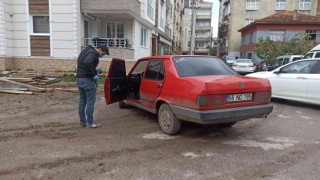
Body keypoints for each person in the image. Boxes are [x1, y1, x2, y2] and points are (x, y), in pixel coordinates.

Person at [75, 45, 109, 128]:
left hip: (79, 79)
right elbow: (87, 62)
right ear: (100, 49)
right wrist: (93, 74)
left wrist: (95, 69)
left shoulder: (86, 50)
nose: (102, 56)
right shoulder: (93, 53)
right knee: (90, 102)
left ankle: (82, 122)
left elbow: (84, 63)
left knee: (82, 101)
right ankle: (90, 123)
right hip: (87, 80)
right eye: (103, 54)